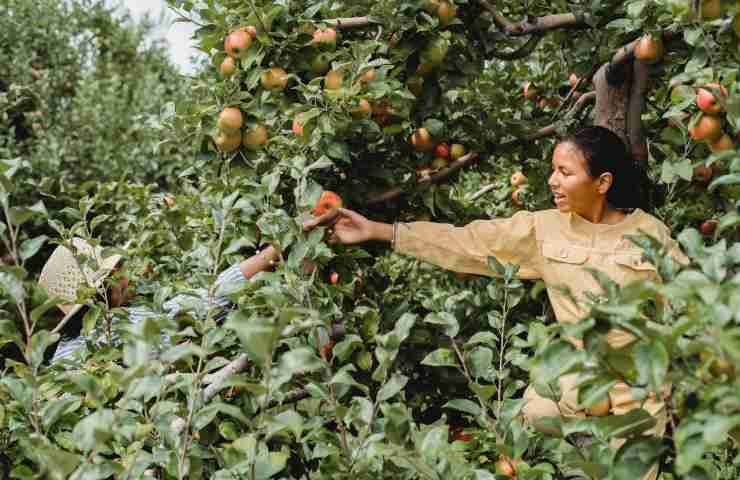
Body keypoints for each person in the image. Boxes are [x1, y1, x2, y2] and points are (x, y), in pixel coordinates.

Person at [303, 126, 688, 479]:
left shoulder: (648, 233)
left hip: (639, 386)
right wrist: (380, 230)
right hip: (577, 375)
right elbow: (468, 241)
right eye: (553, 169)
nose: (553, 181)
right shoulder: (544, 229)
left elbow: (691, 301)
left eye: (565, 173)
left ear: (602, 182)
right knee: (532, 424)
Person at [37, 237, 281, 365]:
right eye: (118, 273)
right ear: (105, 290)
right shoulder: (121, 326)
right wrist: (270, 254)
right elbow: (203, 303)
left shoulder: (63, 354)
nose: (127, 279)